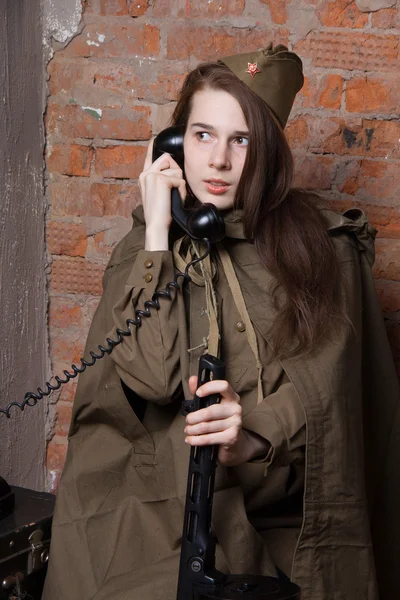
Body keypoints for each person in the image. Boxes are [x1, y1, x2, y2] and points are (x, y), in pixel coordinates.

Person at [43, 45, 399, 600]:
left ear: (269, 154)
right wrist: (159, 234)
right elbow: (151, 377)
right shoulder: (144, 254)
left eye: (242, 141)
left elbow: (330, 387)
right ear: (175, 144)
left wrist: (252, 436)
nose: (218, 161)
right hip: (159, 512)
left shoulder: (325, 249)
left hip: (283, 515)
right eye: (203, 136)